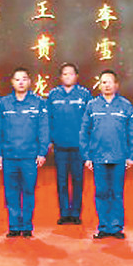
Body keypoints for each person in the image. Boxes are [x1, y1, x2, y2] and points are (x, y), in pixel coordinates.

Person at [80, 69, 133, 239]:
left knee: (116, 193)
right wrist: (86, 156)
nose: (107, 85)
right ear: (99, 85)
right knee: (101, 192)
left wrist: (132, 155)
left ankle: (116, 227)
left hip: (119, 156)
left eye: (110, 82)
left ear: (116, 85)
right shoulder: (92, 106)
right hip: (98, 157)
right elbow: (84, 132)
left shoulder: (125, 106)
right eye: (103, 82)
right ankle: (103, 227)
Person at [0, 68, 50, 238]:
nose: (20, 82)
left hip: (29, 156)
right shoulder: (3, 104)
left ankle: (26, 226)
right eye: (17, 79)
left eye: (24, 79)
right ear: (12, 82)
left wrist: (42, 152)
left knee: (28, 191)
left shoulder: (38, 103)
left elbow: (43, 128)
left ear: (29, 82)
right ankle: (13, 226)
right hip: (9, 155)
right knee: (11, 192)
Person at [47, 63, 90, 225]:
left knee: (78, 180)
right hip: (60, 145)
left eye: (71, 74)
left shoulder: (84, 94)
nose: (68, 77)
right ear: (60, 77)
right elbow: (48, 119)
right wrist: (49, 140)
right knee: (62, 180)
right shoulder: (53, 95)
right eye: (65, 74)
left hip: (79, 146)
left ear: (76, 76)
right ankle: (64, 213)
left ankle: (76, 213)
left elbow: (89, 120)